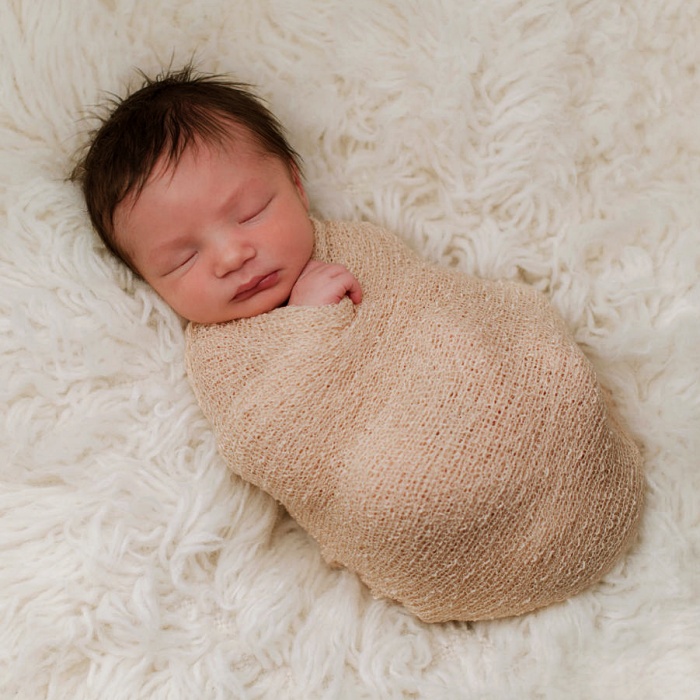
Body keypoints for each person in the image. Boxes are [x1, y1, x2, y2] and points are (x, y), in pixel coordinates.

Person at [72, 66, 644, 623]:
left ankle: (574, 470)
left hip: (503, 396)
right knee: (401, 501)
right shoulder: (220, 352)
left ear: (295, 183)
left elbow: (438, 303)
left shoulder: (353, 244)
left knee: (533, 355)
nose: (231, 256)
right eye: (184, 258)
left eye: (249, 213)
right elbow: (261, 442)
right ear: (149, 281)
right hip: (412, 487)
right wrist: (309, 326)